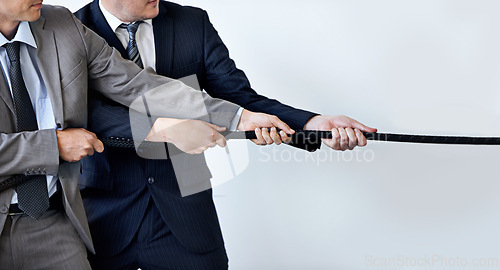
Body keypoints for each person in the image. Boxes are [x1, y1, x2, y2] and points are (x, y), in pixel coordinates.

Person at [75, 0, 378, 269]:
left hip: (186, 209)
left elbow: (238, 98)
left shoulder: (192, 23)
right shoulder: (71, 30)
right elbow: (83, 114)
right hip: (104, 210)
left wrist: (312, 124)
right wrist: (167, 130)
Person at [0, 2, 292, 269]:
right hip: (97, 207)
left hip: (54, 223)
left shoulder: (60, 22)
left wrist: (238, 116)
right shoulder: (82, 18)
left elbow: (136, 84)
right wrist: (54, 145)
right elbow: (94, 111)